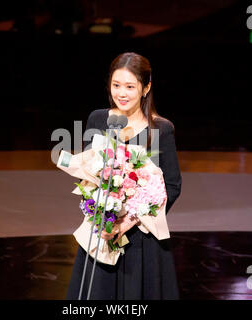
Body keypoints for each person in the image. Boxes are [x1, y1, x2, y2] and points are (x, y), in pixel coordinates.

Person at [65, 52, 182, 300]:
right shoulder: (98, 119)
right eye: (116, 85)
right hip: (102, 234)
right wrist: (104, 218)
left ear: (146, 87)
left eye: (130, 86)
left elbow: (171, 186)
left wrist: (126, 223)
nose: (122, 93)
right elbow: (88, 176)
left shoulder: (161, 129)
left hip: (142, 241)